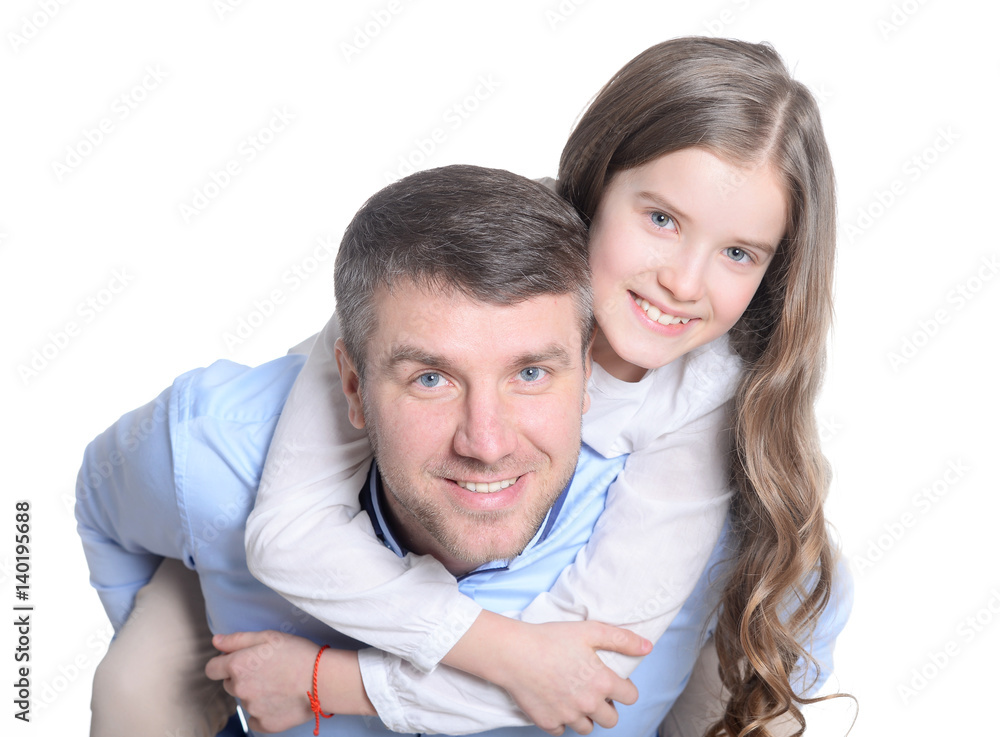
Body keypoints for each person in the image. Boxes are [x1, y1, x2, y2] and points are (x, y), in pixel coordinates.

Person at [228, 36, 849, 736]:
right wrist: (501, 648)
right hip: (264, 536)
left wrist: (328, 681)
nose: (683, 281)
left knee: (808, 588)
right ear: (597, 181)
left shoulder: (701, 395)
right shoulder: (454, 261)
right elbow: (287, 531)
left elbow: (581, 667)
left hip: (625, 651)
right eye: (661, 220)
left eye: (738, 253)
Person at [78, 164, 771, 737]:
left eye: (530, 372)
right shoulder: (217, 455)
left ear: (585, 370)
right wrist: (173, 634)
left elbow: (576, 676)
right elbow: (108, 509)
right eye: (432, 378)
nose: (485, 440)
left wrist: (324, 681)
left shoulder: (730, 529)